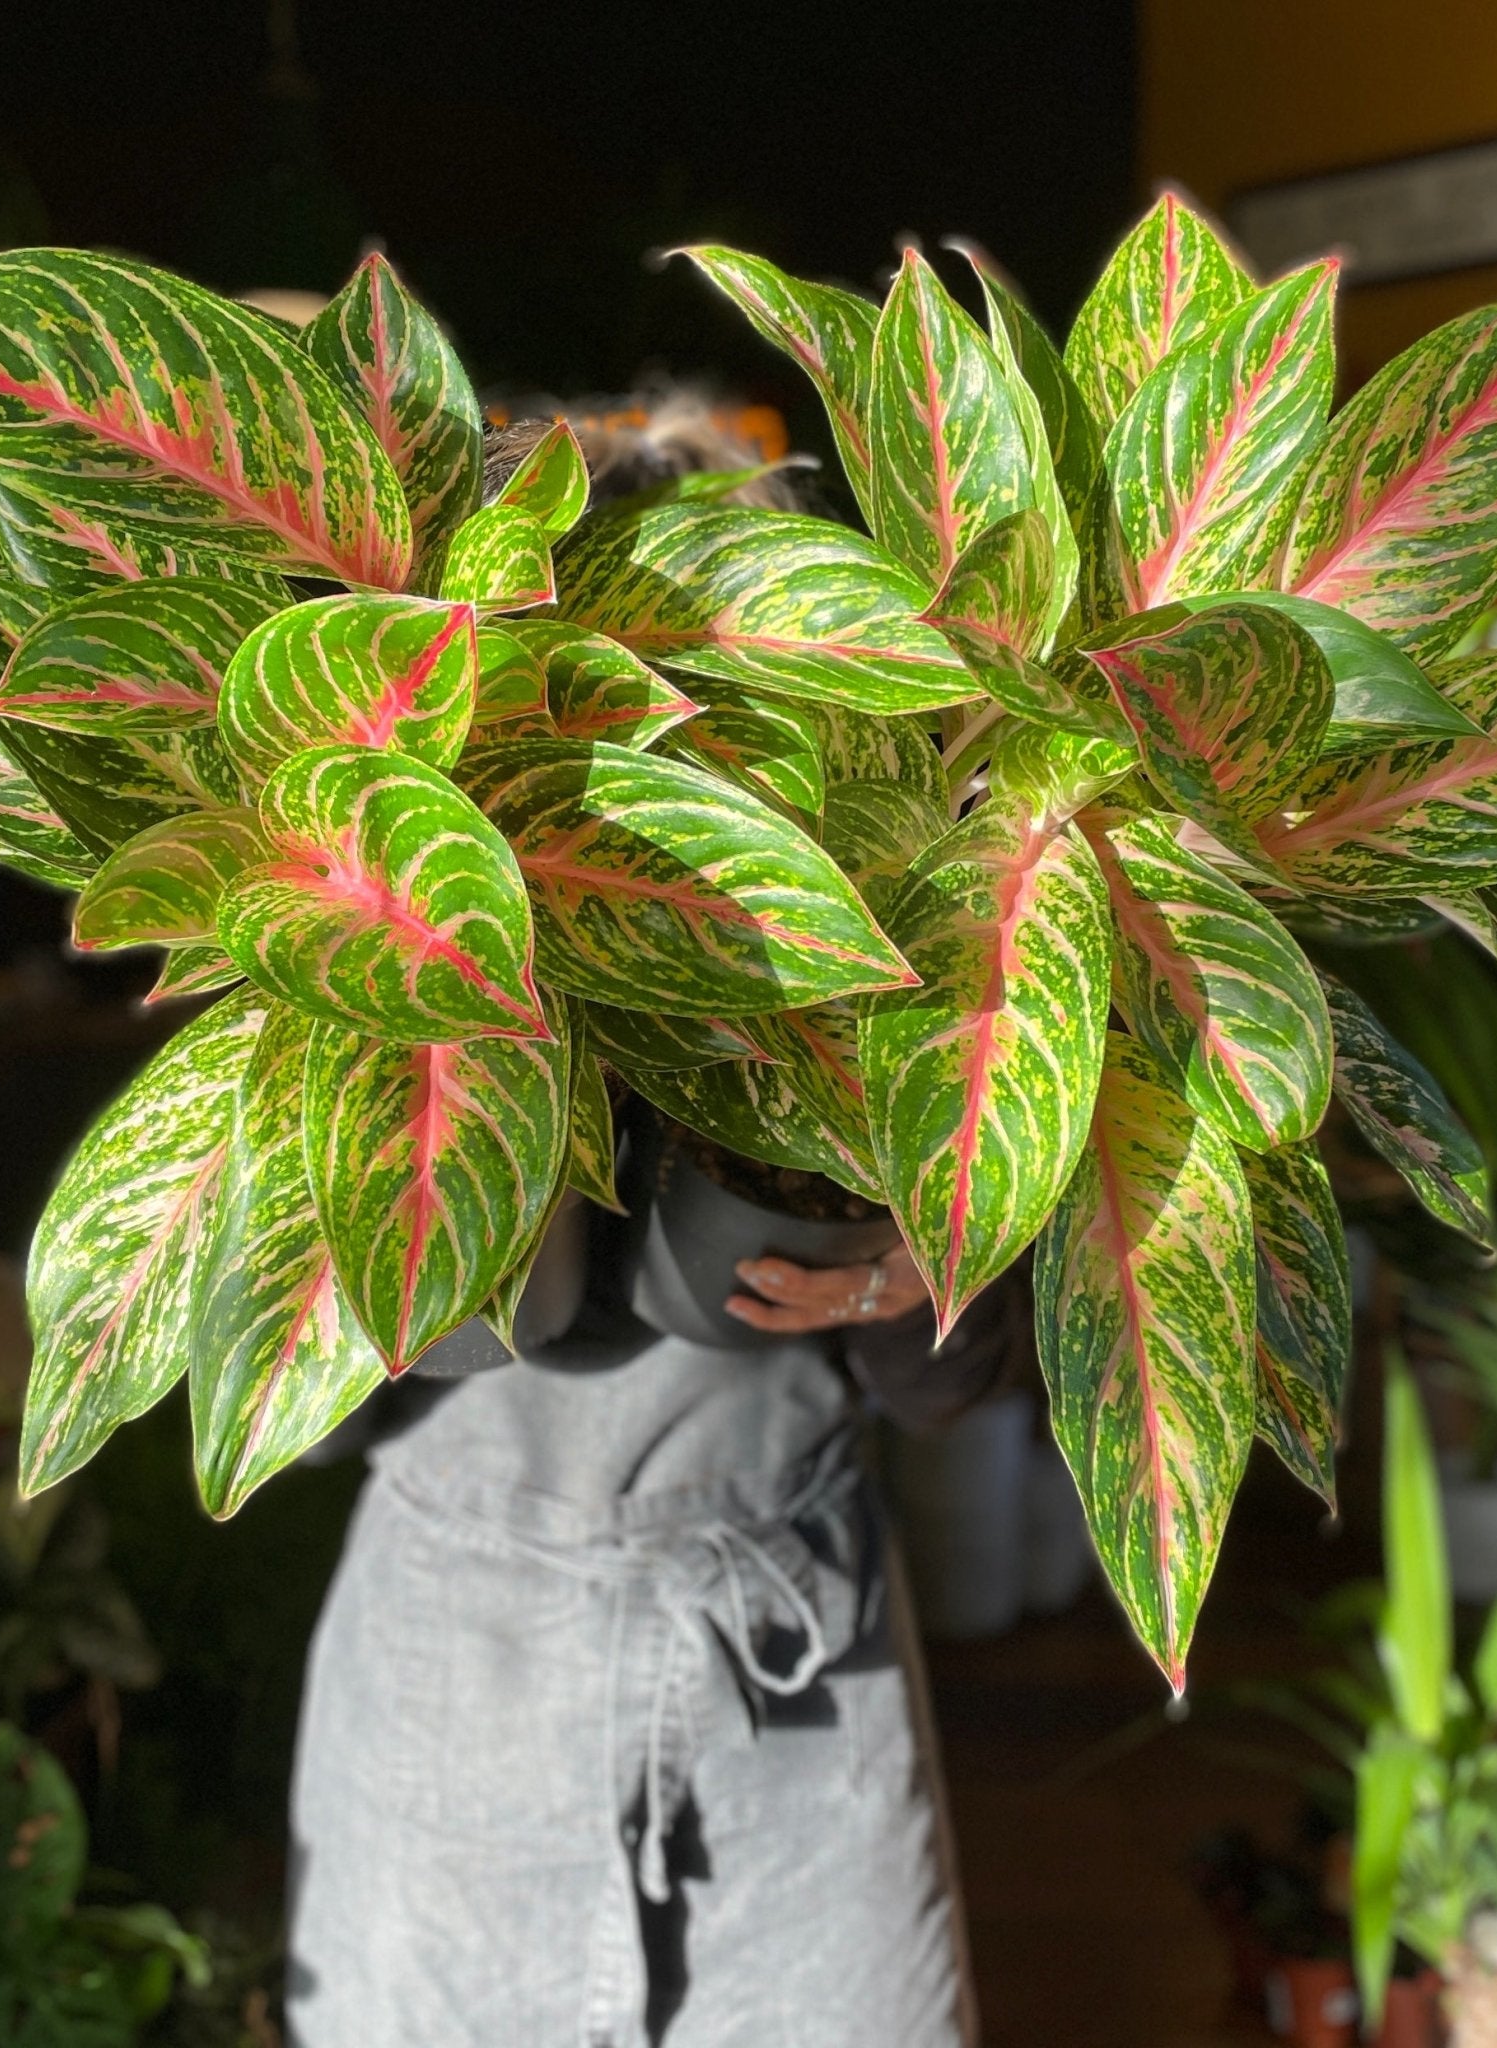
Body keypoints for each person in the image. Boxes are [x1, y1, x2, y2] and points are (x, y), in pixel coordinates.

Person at [283, 406, 1010, 2048]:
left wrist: (912, 1276)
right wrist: (412, 1239)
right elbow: (300, 1423)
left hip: (797, 1668)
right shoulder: (387, 917)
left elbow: (957, 1385)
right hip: (458, 1677)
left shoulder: (836, 929)